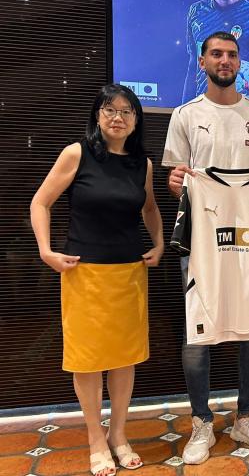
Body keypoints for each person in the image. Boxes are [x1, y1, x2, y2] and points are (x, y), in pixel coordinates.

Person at [30, 84, 164, 476]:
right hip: (83, 272)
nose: (117, 117)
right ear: (97, 116)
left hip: (129, 273)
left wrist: (157, 244)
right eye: (109, 110)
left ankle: (119, 435)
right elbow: (40, 202)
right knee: (87, 361)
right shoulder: (77, 153)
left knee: (124, 360)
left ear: (137, 119)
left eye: (126, 111)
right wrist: (45, 250)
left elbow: (151, 207)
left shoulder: (143, 163)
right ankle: (94, 437)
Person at [163, 31, 249, 464]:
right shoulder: (185, 115)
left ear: (240, 62)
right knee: (198, 331)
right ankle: (201, 422)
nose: (225, 60)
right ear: (202, 61)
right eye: (217, 54)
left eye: (232, 54)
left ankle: (246, 416)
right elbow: (175, 178)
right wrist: (176, 181)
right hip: (203, 240)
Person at [182, 0, 249, 104]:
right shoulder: (196, 11)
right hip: (203, 108)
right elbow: (193, 63)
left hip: (242, 109)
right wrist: (186, 105)